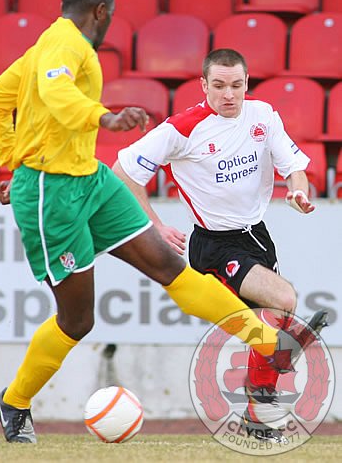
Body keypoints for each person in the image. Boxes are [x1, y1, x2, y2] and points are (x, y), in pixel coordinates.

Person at [0, 0, 324, 444]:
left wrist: (11, 159)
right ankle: (14, 401)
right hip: (51, 192)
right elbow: (57, 96)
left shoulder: (48, 46)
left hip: (90, 179)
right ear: (101, 12)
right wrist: (99, 120)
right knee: (77, 320)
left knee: (169, 267)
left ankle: (268, 344)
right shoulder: (63, 45)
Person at [112, 48, 328, 443]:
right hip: (213, 244)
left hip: (258, 237)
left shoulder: (262, 115)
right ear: (203, 85)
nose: (228, 94)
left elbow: (295, 167)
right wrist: (154, 225)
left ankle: (258, 415)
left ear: (246, 83)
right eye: (219, 85)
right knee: (283, 299)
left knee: (271, 321)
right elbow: (123, 171)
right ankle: (278, 354)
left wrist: (298, 192)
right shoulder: (182, 128)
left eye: (236, 85)